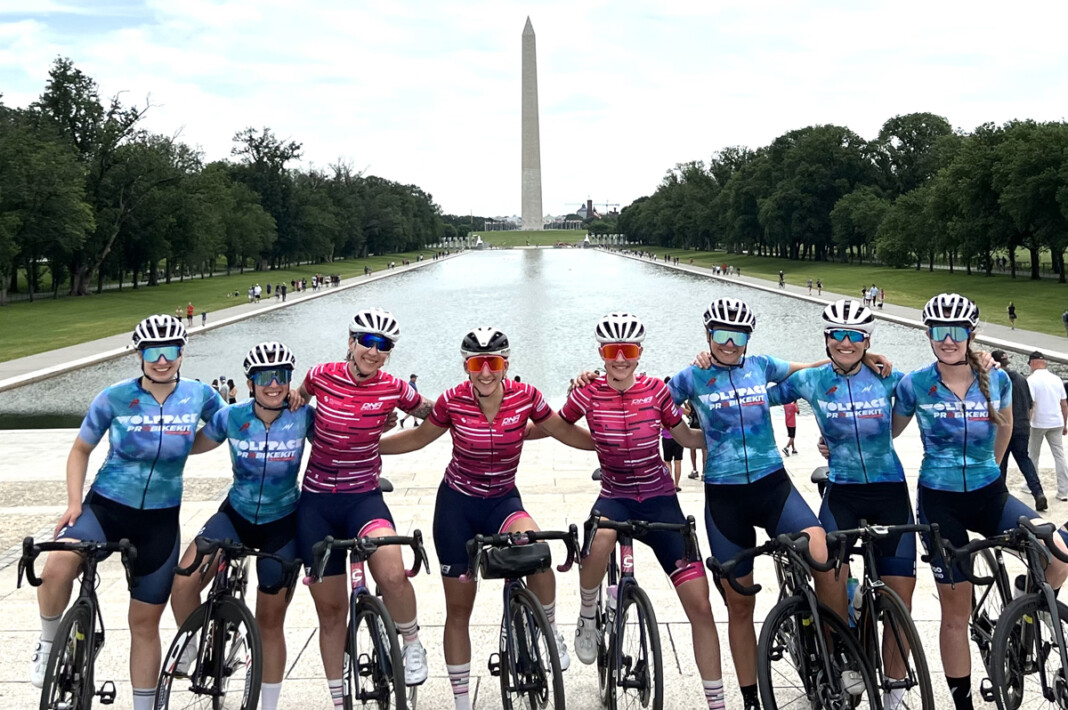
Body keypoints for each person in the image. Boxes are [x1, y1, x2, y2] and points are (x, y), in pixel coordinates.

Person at [380, 327, 595, 710]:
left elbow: (561, 430)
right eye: (476, 363)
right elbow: (418, 438)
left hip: (502, 503)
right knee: (459, 611)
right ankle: (463, 701)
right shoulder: (452, 400)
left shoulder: (526, 396)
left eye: (493, 363)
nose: (484, 372)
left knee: (539, 553)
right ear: (466, 365)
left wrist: (610, 444)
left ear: (505, 364)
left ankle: (549, 629)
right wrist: (366, 445)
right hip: (457, 509)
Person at [671, 297, 870, 710]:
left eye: (738, 336)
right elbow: (648, 401)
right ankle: (750, 699)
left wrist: (866, 359)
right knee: (740, 604)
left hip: (773, 487)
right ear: (708, 335)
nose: (729, 344)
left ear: (748, 338)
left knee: (823, 553)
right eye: (721, 334)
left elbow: (812, 368)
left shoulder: (761, 366)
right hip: (725, 498)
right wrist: (687, 437)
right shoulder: (692, 376)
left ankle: (836, 652)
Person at [30, 315, 223, 710]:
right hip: (106, 508)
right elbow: (80, 450)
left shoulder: (200, 394)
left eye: (170, 350)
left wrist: (186, 445)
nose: (162, 360)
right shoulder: (114, 396)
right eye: (152, 352)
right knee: (56, 567)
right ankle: (48, 642)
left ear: (182, 352)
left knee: (144, 624)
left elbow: (234, 422)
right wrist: (74, 503)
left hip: (159, 521)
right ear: (140, 355)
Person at [894, 293, 1068, 710]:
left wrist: (990, 467)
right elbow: (889, 432)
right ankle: (964, 703)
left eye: (956, 331)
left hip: (990, 495)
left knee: (1059, 555)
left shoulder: (998, 378)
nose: (948, 339)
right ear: (928, 334)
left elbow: (1005, 428)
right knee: (956, 612)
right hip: (940, 503)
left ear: (970, 334)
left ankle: (1025, 602)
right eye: (939, 330)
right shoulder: (914, 383)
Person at [565, 313, 726, 709]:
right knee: (600, 536)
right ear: (601, 353)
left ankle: (717, 703)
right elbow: (557, 425)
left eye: (628, 350)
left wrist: (729, 434)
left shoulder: (656, 390)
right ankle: (588, 615)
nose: (620, 359)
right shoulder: (587, 393)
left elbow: (684, 436)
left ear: (639, 352)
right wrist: (596, 441)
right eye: (612, 351)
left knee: (701, 605)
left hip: (659, 499)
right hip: (614, 495)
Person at [770, 299, 917, 710]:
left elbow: (940, 382)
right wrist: (708, 366)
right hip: (843, 493)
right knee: (827, 575)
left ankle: (894, 690)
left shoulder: (889, 378)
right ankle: (840, 656)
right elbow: (752, 393)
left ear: (868, 340)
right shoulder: (812, 380)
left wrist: (982, 362)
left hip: (890, 492)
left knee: (900, 600)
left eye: (856, 336)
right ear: (827, 338)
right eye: (838, 334)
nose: (846, 342)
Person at [297, 308, 435, 705]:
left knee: (392, 573)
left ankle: (412, 643)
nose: (374, 352)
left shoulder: (394, 388)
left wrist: (483, 401)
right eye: (367, 342)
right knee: (331, 614)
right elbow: (297, 399)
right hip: (317, 503)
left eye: (384, 345)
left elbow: (434, 412)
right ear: (351, 342)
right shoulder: (320, 375)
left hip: (363, 497)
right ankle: (338, 698)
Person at [176, 342, 312, 710]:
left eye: (281, 376)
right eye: (264, 377)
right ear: (250, 383)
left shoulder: (303, 416)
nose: (274, 384)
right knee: (184, 580)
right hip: (235, 515)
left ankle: (268, 704)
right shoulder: (231, 417)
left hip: (282, 522)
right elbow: (191, 446)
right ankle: (191, 643)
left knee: (269, 622)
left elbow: (340, 443)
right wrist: (154, 440)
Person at [991, 350, 1045, 510]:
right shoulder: (1021, 378)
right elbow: (1030, 404)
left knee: (1001, 461)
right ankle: (1038, 492)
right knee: (1024, 459)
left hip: (1003, 426)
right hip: (1022, 425)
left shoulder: (996, 379)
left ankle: (999, 497)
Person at [1027, 351, 1068, 501]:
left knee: (1033, 455)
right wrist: (1065, 423)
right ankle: (1064, 490)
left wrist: (1027, 423)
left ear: (1032, 363)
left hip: (1038, 422)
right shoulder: (1056, 379)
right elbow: (1064, 404)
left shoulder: (1031, 380)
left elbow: (1031, 404)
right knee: (1059, 455)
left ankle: (1031, 485)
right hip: (1056, 421)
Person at [661, 376, 685, 490]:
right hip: (679, 437)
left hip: (667, 437)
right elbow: (688, 412)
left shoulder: (663, 408)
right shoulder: (678, 407)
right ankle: (677, 484)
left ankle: (670, 483)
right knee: (678, 462)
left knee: (667, 461)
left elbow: (661, 424)